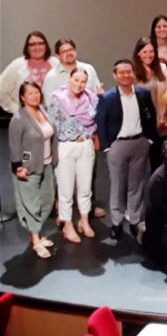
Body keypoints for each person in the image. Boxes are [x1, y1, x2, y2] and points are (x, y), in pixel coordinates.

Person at [96, 59, 159, 240]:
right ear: (115, 76)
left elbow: (151, 118)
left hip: (140, 143)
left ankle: (134, 220)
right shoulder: (107, 98)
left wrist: (149, 140)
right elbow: (102, 123)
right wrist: (108, 147)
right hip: (118, 145)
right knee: (117, 186)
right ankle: (116, 222)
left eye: (128, 71)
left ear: (133, 73)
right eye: (121, 72)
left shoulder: (143, 94)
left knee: (136, 185)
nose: (125, 75)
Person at [46, 67, 98, 242]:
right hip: (65, 147)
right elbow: (52, 127)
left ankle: (84, 221)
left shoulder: (90, 98)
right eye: (76, 80)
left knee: (85, 188)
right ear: (69, 79)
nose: (79, 84)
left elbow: (95, 121)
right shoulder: (57, 99)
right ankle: (67, 225)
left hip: (85, 144)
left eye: (83, 81)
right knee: (66, 190)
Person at [8, 82, 59, 258]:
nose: (34, 96)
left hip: (47, 163)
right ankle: (36, 239)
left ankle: (35, 233)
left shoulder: (43, 111)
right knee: (31, 204)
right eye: (30, 93)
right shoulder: (19, 118)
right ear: (23, 97)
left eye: (36, 92)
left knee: (47, 199)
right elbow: (16, 146)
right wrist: (20, 166)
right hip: (28, 168)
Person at [132, 37, 167, 169]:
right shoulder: (133, 73)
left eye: (151, 52)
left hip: (161, 123)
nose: (149, 55)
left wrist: (164, 118)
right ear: (138, 53)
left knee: (160, 161)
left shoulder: (162, 68)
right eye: (145, 52)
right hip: (142, 125)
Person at [1, 31, 60, 114]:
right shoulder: (18, 65)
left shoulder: (56, 63)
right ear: (27, 47)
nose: (37, 47)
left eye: (41, 43)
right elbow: (1, 90)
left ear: (46, 46)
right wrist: (17, 110)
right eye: (32, 45)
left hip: (54, 115)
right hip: (27, 118)